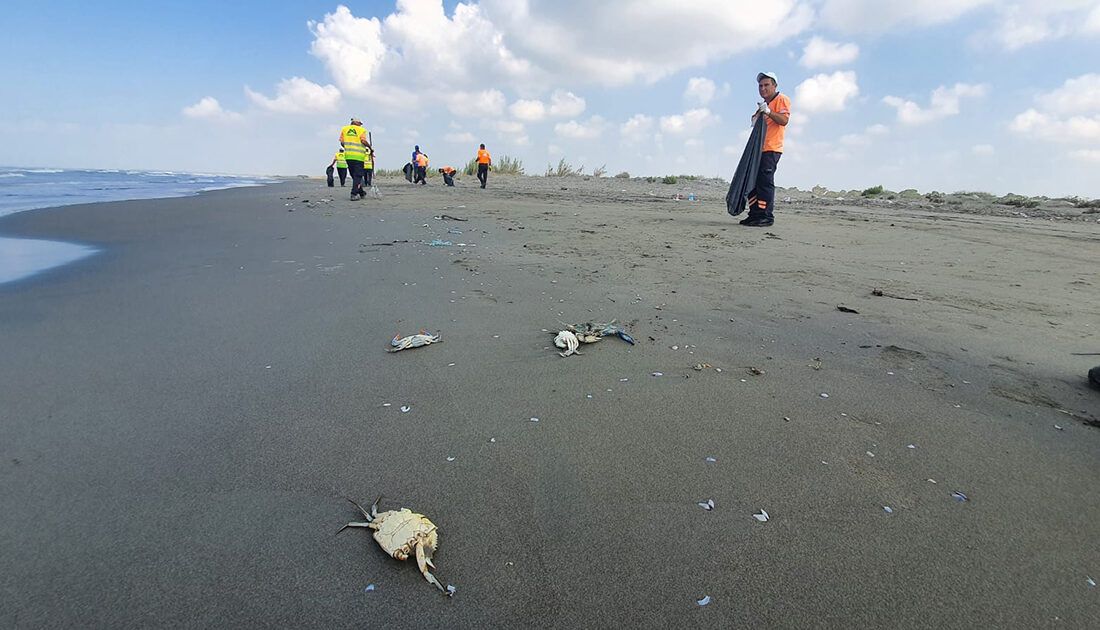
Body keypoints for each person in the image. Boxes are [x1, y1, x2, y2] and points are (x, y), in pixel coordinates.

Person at [741, 72, 791, 227]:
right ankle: (754, 214)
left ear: (774, 85)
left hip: (771, 149)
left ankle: (766, 216)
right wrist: (757, 115)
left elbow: (784, 120)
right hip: (757, 151)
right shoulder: (762, 106)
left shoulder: (781, 100)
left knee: (765, 182)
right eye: (760, 86)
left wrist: (768, 111)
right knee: (753, 183)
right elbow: (754, 124)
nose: (763, 88)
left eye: (766, 85)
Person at [340, 117, 372, 200]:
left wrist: (348, 146)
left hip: (348, 156)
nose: (360, 126)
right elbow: (363, 141)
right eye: (360, 124)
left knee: (354, 176)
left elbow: (342, 142)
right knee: (357, 176)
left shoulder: (344, 129)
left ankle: (361, 192)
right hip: (358, 157)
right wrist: (370, 147)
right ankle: (354, 194)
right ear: (357, 123)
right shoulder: (361, 130)